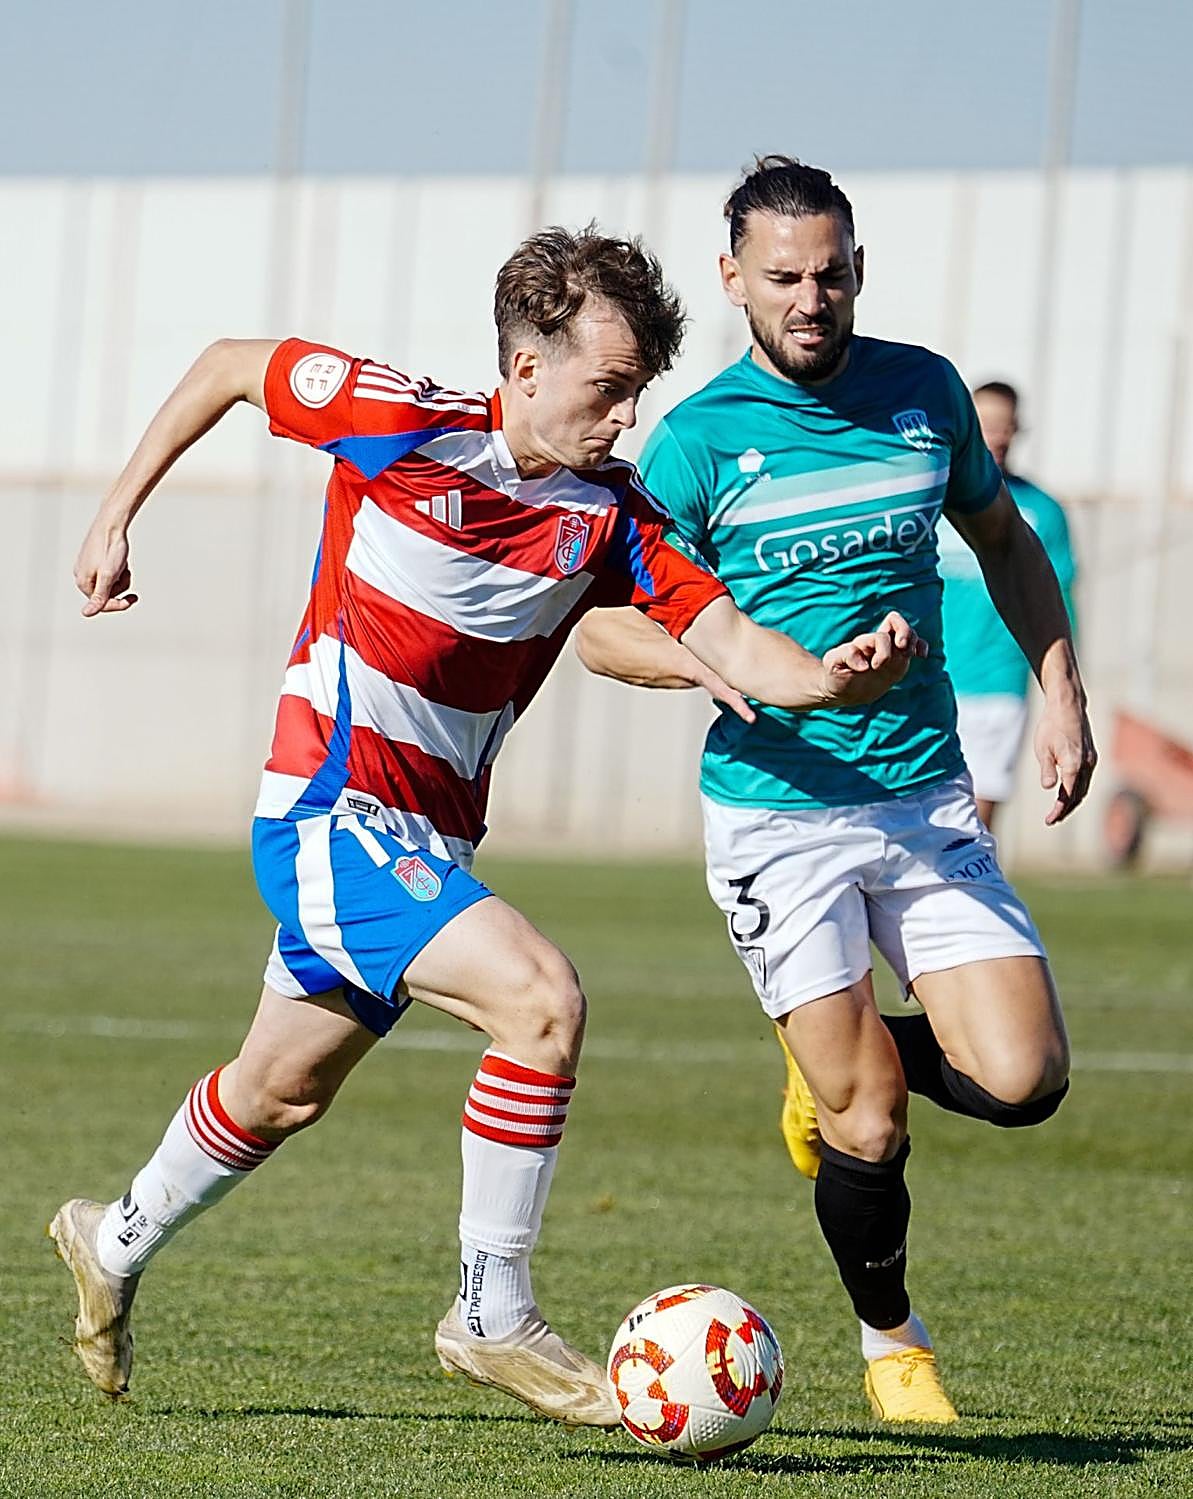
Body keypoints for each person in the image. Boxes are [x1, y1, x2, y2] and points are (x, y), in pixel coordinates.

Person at [52, 224, 926, 1424]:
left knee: (276, 1093)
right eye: (607, 388)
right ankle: (489, 1305)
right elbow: (225, 364)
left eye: (636, 392)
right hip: (328, 809)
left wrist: (833, 677)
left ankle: (113, 1236)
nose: (624, 418)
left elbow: (731, 644)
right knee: (540, 998)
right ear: (524, 369)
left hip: (429, 845)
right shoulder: (393, 415)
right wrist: (113, 518)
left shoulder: (612, 516)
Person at [577, 159, 1097, 1424]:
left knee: (1025, 1077)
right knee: (868, 1121)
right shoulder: (695, 441)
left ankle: (831, 1067)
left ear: (856, 266)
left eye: (830, 272)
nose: (811, 298)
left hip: (924, 800)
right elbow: (603, 631)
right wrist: (781, 676)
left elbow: (1005, 540)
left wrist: (1062, 692)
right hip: (777, 814)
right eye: (783, 277)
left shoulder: (922, 392)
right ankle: (892, 1341)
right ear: (731, 279)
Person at [938, 381, 1078, 830]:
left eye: (1005, 426)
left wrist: (1063, 691)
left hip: (997, 684)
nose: (996, 436)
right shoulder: (932, 500)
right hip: (926, 680)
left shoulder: (1041, 511)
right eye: (986, 425)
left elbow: (1059, 600)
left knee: (974, 823)